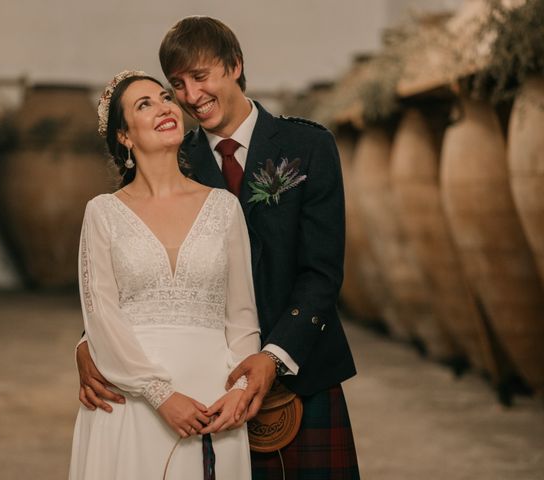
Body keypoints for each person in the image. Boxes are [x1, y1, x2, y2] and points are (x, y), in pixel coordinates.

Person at [77, 16, 360, 479]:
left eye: (200, 77)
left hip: (299, 369)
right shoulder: (173, 154)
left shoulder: (307, 145)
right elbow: (130, 265)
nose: (189, 97)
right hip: (205, 387)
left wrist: (271, 359)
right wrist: (89, 343)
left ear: (234, 66)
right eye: (177, 84)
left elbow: (322, 273)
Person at [68, 70, 261, 480]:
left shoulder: (224, 207)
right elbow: (101, 315)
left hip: (214, 402)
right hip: (132, 400)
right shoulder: (102, 213)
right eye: (144, 105)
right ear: (124, 137)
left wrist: (240, 392)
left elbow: (242, 316)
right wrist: (160, 396)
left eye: (164, 98)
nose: (164, 108)